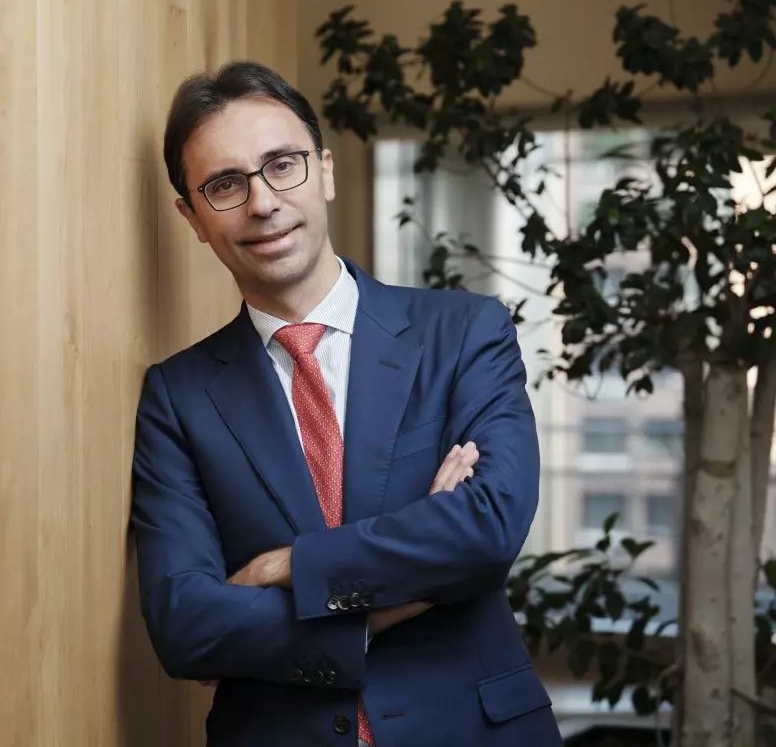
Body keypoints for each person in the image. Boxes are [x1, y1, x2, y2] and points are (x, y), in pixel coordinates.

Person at [129, 60, 562, 746]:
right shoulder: (178, 396)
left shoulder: (463, 333)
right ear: (193, 218)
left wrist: (288, 566)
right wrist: (398, 596)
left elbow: (488, 528)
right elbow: (185, 626)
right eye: (225, 185)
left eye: (282, 166)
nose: (263, 202)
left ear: (325, 171)